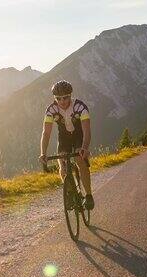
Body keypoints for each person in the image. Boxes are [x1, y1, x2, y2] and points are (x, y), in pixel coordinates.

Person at [39, 80, 94, 210]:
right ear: (54, 98)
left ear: (70, 95)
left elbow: (87, 131)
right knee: (62, 165)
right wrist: (43, 153)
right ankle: (70, 193)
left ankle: (89, 195)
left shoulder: (80, 107)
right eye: (58, 98)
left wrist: (84, 148)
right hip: (64, 138)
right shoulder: (51, 110)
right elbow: (46, 133)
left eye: (65, 97)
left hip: (79, 136)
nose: (62, 101)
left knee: (80, 161)